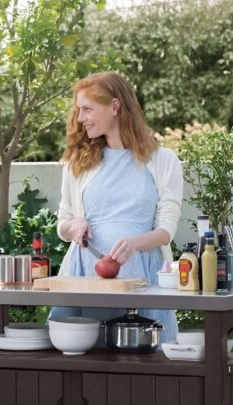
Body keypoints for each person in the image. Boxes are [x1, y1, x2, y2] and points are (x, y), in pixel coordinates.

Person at [54, 72, 183, 342]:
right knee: (82, 361)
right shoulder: (76, 163)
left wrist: (135, 244)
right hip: (85, 274)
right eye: (79, 110)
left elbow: (166, 230)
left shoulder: (164, 161)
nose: (80, 118)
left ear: (115, 106)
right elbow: (63, 223)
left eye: (88, 109)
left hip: (143, 275)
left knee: (147, 363)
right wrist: (73, 225)